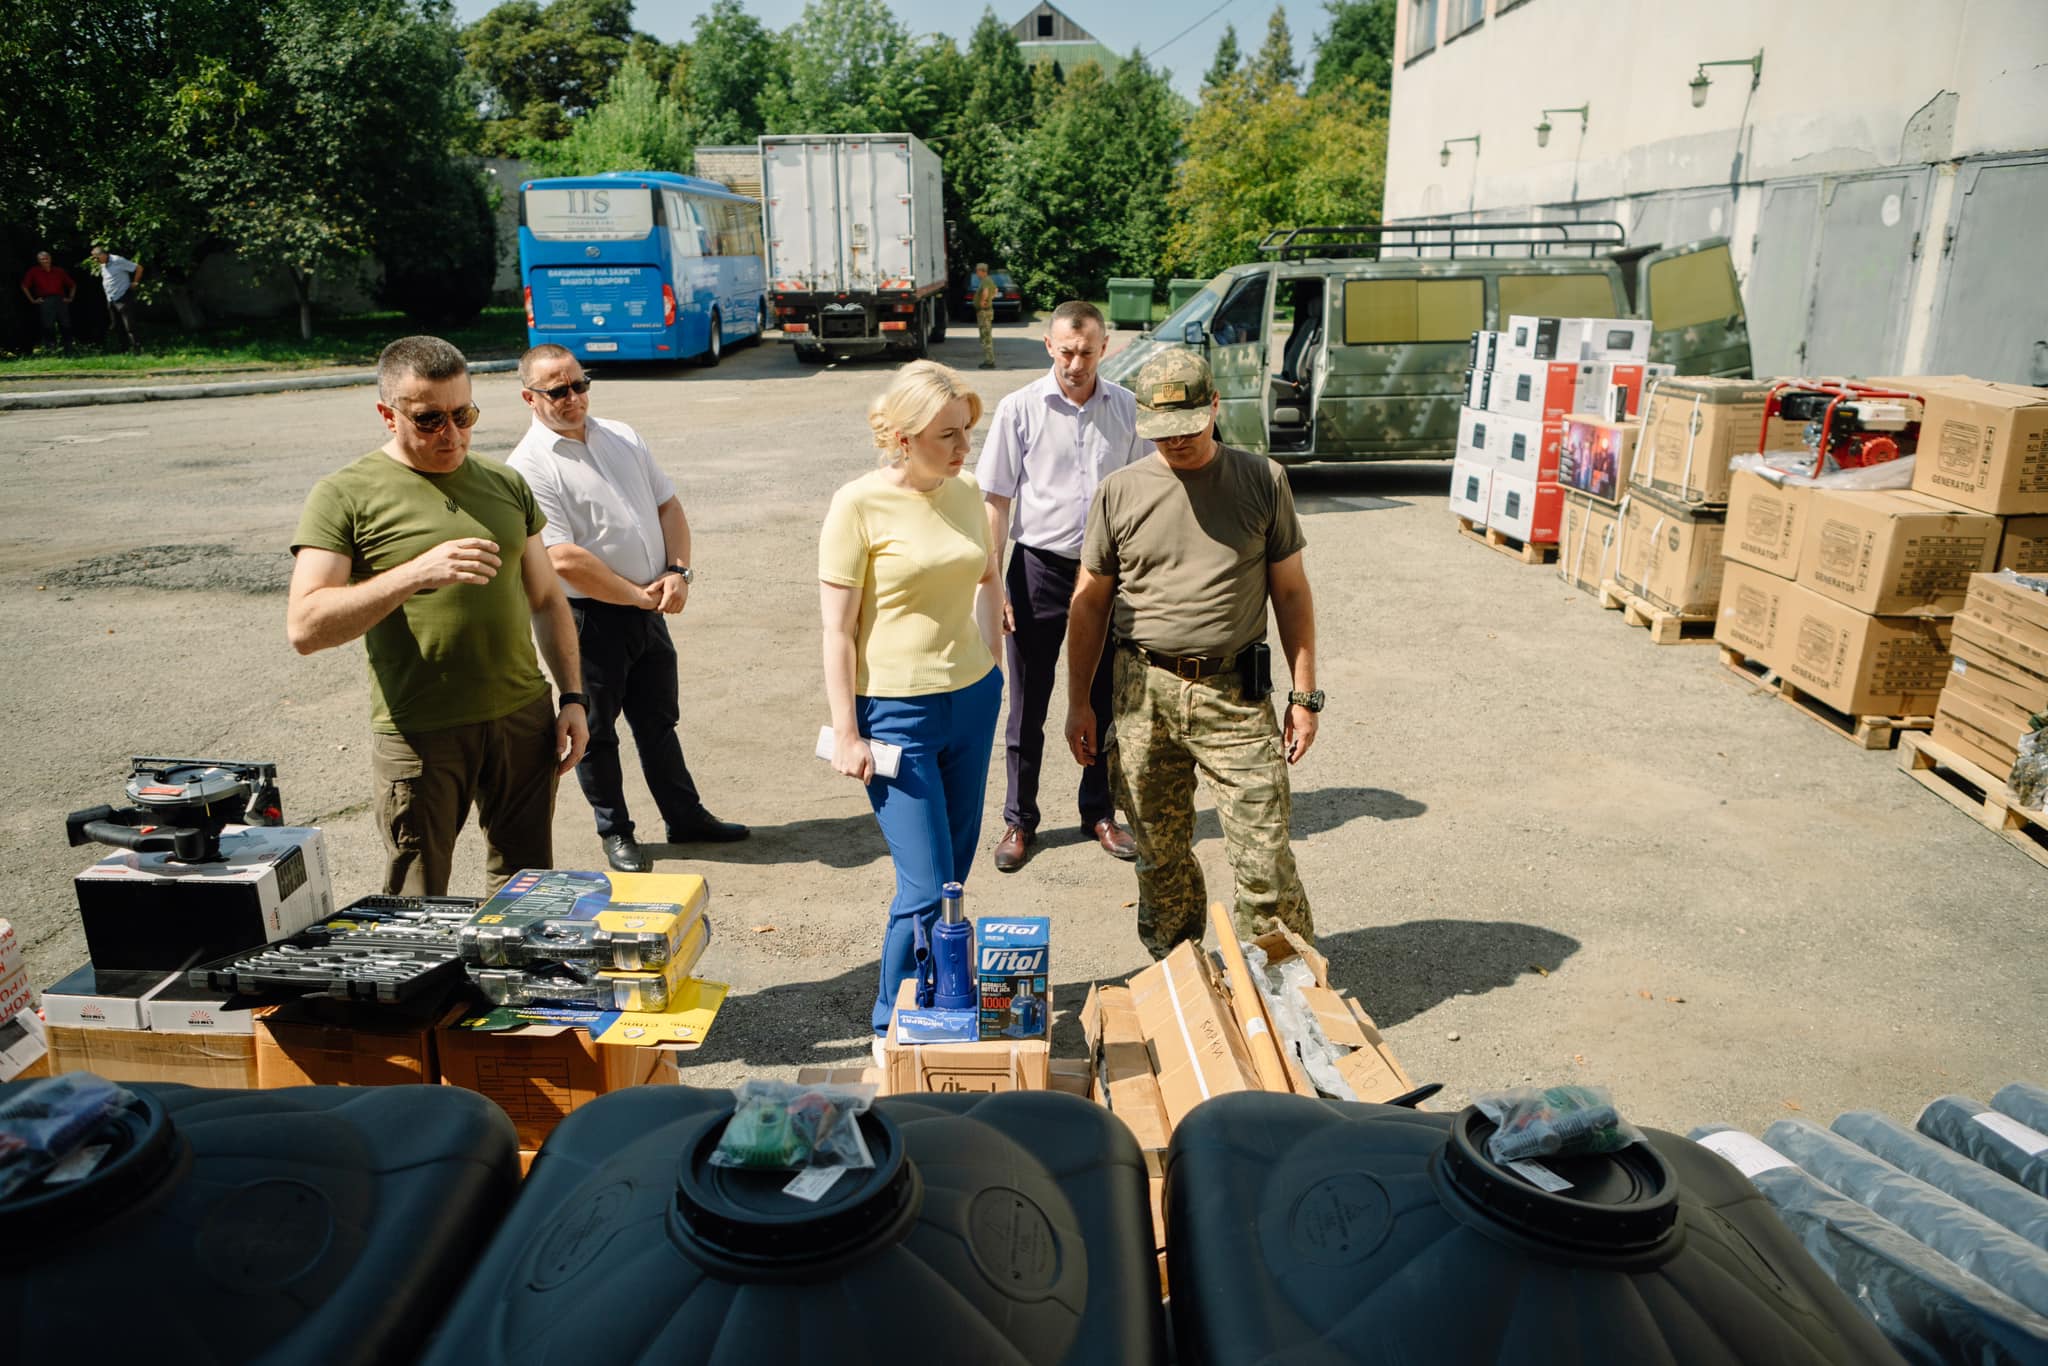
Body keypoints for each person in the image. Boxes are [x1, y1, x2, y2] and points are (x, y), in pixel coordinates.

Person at [287, 335, 588, 896]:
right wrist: (413, 573)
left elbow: (547, 599)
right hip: (421, 732)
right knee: (418, 901)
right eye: (429, 420)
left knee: (526, 891)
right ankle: (433, 990)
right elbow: (305, 627)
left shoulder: (504, 484)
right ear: (387, 414)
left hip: (522, 720)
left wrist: (571, 698)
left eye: (463, 414)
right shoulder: (345, 495)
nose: (451, 434)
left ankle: (507, 983)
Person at [1064, 348, 1323, 959]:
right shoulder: (1119, 493)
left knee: (1264, 858)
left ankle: (1278, 985)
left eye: (1188, 428)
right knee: (1159, 858)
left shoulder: (1262, 480)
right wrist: (1079, 703)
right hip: (1141, 694)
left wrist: (1305, 695)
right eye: (1161, 432)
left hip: (1233, 692)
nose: (1175, 444)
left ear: (1214, 407)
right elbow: (1089, 605)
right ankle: (1179, 978)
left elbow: (1291, 591)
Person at [506, 344, 747, 874]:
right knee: (596, 732)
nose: (574, 397)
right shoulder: (528, 466)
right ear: (530, 397)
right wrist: (638, 595)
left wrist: (678, 573)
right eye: (558, 390)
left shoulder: (621, 435)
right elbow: (562, 557)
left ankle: (684, 817)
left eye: (580, 383)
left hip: (650, 605)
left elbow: (668, 505)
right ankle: (616, 832)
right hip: (591, 620)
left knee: (659, 721)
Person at [820, 360, 1003, 1040]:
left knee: (953, 878)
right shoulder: (857, 504)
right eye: (947, 435)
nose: (962, 449)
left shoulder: (968, 491)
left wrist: (998, 670)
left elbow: (990, 578)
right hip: (897, 714)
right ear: (900, 436)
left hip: (973, 701)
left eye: (966, 432)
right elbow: (837, 629)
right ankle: (888, 1022)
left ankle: (945, 1001)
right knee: (923, 886)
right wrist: (847, 732)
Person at [980, 300, 1145, 872]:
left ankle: (1099, 812)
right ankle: (1018, 821)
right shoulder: (1019, 409)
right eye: (1066, 351)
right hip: (1037, 572)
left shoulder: (1126, 409)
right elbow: (996, 500)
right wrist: (995, 579)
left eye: (1087, 351)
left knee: (1103, 699)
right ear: (1050, 347)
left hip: (1106, 575)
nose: (1076, 363)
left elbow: (1149, 494)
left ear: (1106, 348)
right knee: (1027, 706)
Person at [19, 251, 76, 352]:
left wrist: (70, 297)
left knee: (65, 323)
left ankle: (68, 348)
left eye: (47, 258)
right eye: (42, 259)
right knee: (48, 325)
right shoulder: (34, 271)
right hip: (45, 300)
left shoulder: (59, 271)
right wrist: (32, 300)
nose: (45, 261)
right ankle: (51, 349)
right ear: (38, 261)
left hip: (60, 300)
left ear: (50, 258)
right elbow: (24, 286)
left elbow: (72, 285)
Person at [89, 246, 142, 351]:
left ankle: (137, 350)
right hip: (111, 299)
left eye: (96, 258)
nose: (95, 260)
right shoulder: (103, 264)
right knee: (117, 326)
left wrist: (135, 282)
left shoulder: (118, 260)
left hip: (123, 297)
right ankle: (124, 350)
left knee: (129, 326)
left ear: (103, 255)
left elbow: (139, 268)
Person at [973, 263, 997, 370]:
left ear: (982, 271)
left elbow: (986, 292)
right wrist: (990, 299)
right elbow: (996, 290)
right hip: (987, 311)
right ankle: (989, 360)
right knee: (986, 336)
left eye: (977, 271)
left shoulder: (985, 281)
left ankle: (989, 361)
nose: (976, 273)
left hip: (984, 312)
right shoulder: (988, 280)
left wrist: (983, 301)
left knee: (986, 337)